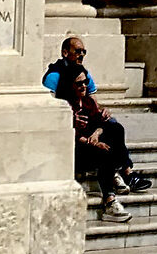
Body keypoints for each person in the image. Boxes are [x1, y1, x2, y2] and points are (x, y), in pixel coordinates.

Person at [52, 43, 144, 221]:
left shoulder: (86, 103)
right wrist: (88, 140)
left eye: (85, 83)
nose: (84, 86)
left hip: (89, 142)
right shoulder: (65, 106)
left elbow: (100, 121)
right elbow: (65, 132)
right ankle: (110, 199)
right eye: (79, 84)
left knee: (115, 128)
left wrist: (97, 133)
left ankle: (125, 171)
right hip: (75, 149)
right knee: (104, 152)